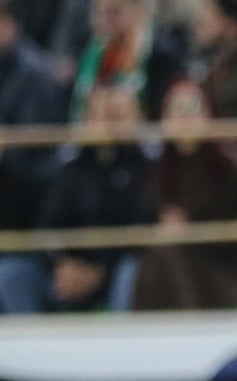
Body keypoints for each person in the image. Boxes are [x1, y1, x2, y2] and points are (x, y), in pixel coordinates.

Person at [11, 80, 156, 316]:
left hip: (117, 269)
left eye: (117, 116)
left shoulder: (149, 168)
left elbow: (142, 229)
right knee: (11, 274)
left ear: (136, 118)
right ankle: (40, 347)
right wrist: (62, 263)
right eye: (100, 115)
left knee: (132, 272)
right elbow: (48, 226)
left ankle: (125, 346)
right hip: (70, 271)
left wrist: (99, 271)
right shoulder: (72, 168)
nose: (108, 124)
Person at [132, 78, 237, 310]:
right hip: (178, 261)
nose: (184, 118)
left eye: (191, 109)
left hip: (229, 269)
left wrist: (192, 232)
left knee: (166, 257)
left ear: (209, 114)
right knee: (155, 259)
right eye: (176, 109)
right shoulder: (159, 168)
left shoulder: (233, 167)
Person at [0, 0, 67, 254]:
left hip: (25, 195)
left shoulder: (35, 74)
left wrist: (7, 150)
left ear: (9, 25)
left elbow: (37, 148)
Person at [68, 0, 186, 117]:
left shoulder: (163, 55)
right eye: (98, 12)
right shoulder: (93, 52)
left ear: (138, 11)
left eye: (114, 12)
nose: (103, 21)